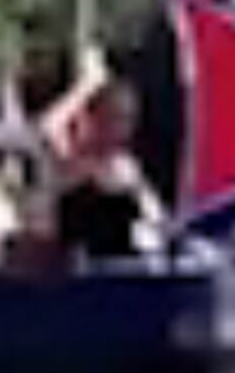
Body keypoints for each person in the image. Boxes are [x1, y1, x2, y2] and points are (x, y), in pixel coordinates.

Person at [32, 44, 164, 264]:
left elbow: (156, 223)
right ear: (93, 118)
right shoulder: (75, 160)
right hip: (80, 278)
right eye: (114, 116)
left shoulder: (129, 167)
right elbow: (48, 127)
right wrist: (88, 85)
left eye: (128, 118)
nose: (122, 127)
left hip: (124, 274)